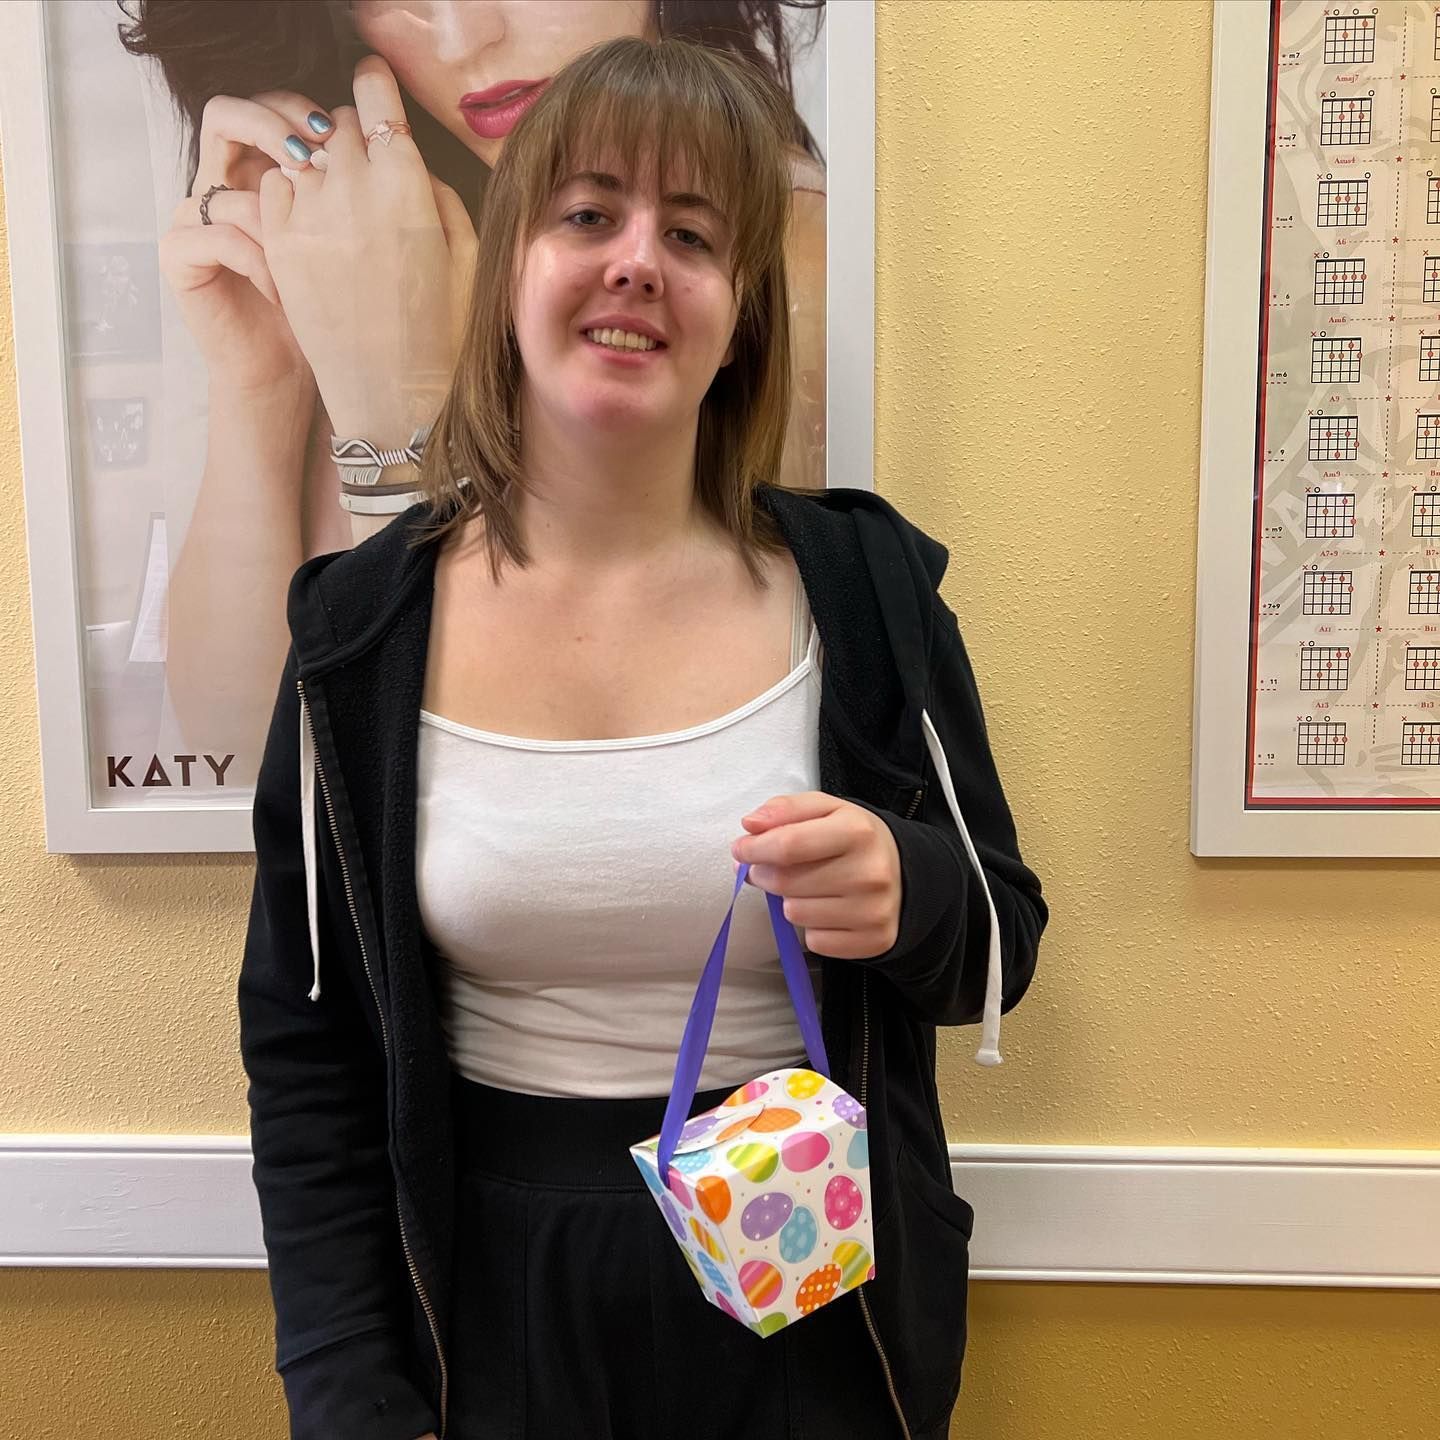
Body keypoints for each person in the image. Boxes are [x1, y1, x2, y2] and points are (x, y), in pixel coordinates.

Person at [238, 32, 1048, 1440]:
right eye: (589, 214)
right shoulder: (360, 635)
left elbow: (1000, 942)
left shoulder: (863, 597)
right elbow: (305, 1056)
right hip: (482, 1306)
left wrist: (907, 886)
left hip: (809, 1296)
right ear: (511, 275)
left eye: (694, 233)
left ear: (741, 312)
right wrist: (344, 1385)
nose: (636, 262)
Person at [116, 0, 827, 789]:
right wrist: (263, 380)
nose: (461, 37)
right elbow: (246, 758)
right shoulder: (374, 242)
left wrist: (402, 429)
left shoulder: (785, 256)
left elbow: (616, 755)